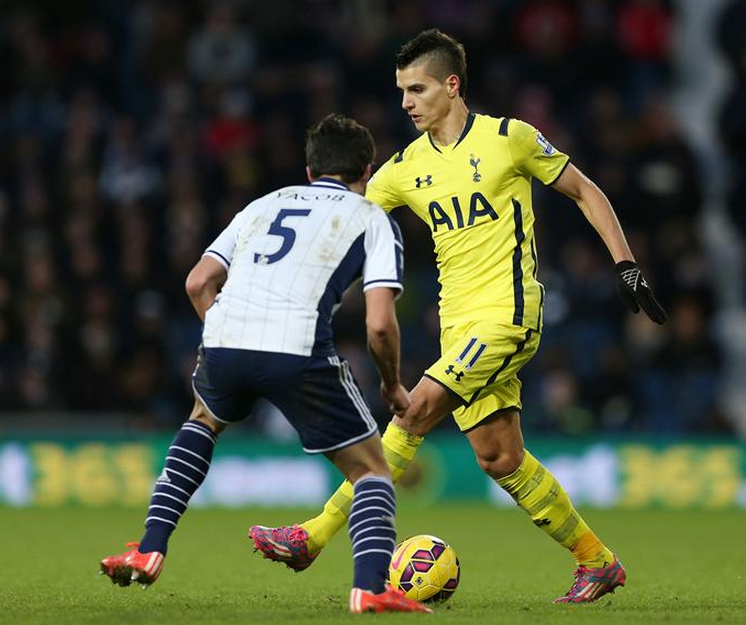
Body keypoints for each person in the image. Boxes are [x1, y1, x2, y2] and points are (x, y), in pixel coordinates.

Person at [250, 29, 666, 604]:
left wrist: (625, 264)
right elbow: (341, 214)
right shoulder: (404, 168)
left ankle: (311, 535)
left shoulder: (509, 138)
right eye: (400, 91)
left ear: (451, 85)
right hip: (458, 329)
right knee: (500, 457)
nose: (406, 103)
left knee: (414, 409)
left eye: (416, 89)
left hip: (508, 316)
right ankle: (598, 562)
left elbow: (585, 190)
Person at [99, 114, 430, 615]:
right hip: (298, 346)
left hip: (227, 338)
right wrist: (390, 387)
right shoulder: (371, 218)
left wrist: (224, 332)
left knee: (203, 421)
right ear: (368, 168)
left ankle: (148, 548)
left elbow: (197, 282)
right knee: (372, 472)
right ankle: (370, 586)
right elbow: (380, 324)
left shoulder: (264, 204)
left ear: (309, 168)